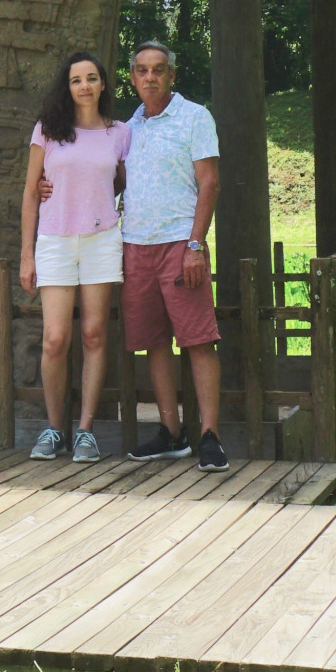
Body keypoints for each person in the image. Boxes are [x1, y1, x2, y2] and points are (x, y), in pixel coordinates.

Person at [119, 40, 226, 470]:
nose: (150, 78)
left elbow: (210, 183)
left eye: (159, 70)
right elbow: (114, 183)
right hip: (135, 245)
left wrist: (196, 244)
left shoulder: (195, 117)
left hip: (181, 243)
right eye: (142, 70)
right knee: (154, 343)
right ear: (132, 77)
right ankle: (172, 433)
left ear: (172, 75)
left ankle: (210, 436)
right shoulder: (128, 128)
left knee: (198, 340)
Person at [19, 49, 131, 461]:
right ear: (67, 88)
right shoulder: (47, 131)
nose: (84, 86)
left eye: (91, 78)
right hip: (54, 240)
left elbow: (120, 182)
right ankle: (54, 428)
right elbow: (32, 192)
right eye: (76, 80)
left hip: (102, 241)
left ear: (103, 84)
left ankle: (85, 430)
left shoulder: (119, 133)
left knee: (95, 334)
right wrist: (26, 256)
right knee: (55, 339)